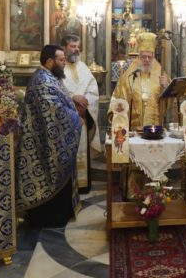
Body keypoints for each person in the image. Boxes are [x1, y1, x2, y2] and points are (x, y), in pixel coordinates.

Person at [16, 45, 82, 227]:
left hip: (47, 138)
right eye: (61, 60)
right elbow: (54, 113)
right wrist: (75, 117)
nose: (64, 63)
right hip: (43, 143)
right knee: (47, 176)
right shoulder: (43, 81)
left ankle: (59, 214)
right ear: (50, 61)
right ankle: (49, 218)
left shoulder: (48, 77)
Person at [60, 35, 100, 194]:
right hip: (67, 118)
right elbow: (58, 89)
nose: (76, 49)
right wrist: (72, 98)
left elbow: (93, 89)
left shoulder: (83, 67)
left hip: (83, 115)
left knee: (82, 149)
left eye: (77, 46)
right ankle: (68, 187)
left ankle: (83, 186)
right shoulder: (59, 67)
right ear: (64, 48)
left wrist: (85, 103)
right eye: (72, 46)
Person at [108, 32, 169, 129]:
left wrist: (166, 87)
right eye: (144, 57)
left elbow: (170, 102)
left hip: (154, 127)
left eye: (150, 57)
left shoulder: (160, 72)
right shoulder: (129, 74)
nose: (147, 60)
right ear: (139, 56)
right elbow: (118, 96)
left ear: (153, 56)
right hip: (133, 128)